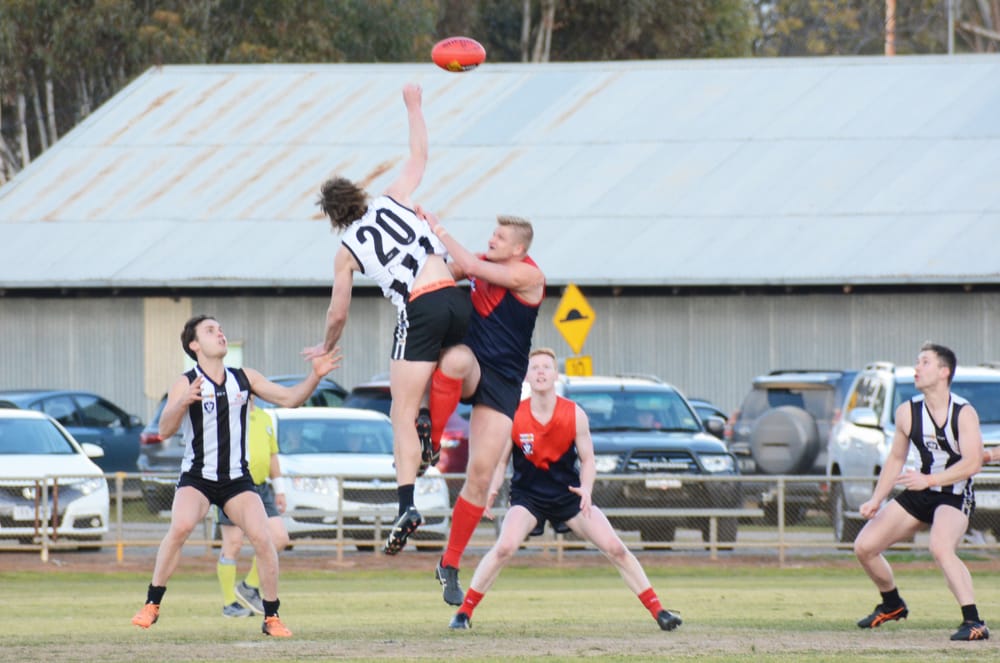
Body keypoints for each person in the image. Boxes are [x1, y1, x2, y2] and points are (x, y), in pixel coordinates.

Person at [303, 82, 471, 557]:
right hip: (457, 299)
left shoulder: (346, 250)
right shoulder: (393, 196)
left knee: (400, 410)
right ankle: (433, 436)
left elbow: (338, 312)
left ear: (334, 219)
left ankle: (406, 504)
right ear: (359, 192)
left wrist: (325, 344)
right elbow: (420, 154)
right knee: (450, 368)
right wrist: (414, 106)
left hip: (420, 308)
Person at [131, 314, 341, 638]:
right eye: (211, 331)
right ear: (194, 344)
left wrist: (314, 376)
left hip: (236, 479)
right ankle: (152, 603)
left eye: (221, 329)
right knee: (182, 526)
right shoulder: (186, 382)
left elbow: (290, 399)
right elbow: (163, 430)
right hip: (198, 476)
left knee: (263, 538)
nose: (220, 334)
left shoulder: (244, 377)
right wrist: (182, 403)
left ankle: (271, 617)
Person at [448, 348, 682, 631]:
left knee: (615, 548)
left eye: (547, 367)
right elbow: (500, 463)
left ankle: (660, 611)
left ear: (556, 374)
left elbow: (588, 460)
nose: (541, 372)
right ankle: (463, 613)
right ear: (528, 375)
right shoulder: (514, 415)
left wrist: (586, 488)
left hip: (569, 496)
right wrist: (492, 491)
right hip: (528, 498)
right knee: (504, 548)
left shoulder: (574, 413)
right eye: (535, 368)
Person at [417, 208, 545, 606]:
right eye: (492, 234)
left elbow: (469, 263)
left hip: (503, 381)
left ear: (519, 249)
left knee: (481, 474)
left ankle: (449, 564)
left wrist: (438, 228)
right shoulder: (481, 264)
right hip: (473, 364)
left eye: (500, 238)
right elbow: (441, 275)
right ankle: (431, 444)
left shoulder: (529, 275)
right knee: (453, 360)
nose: (492, 240)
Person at [853, 343, 988, 641]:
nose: (916, 368)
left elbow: (973, 463)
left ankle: (974, 621)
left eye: (924, 362)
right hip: (919, 491)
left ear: (944, 372)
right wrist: (876, 499)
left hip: (953, 494)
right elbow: (896, 460)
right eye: (917, 362)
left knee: (940, 547)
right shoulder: (907, 412)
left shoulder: (963, 412)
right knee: (864, 547)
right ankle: (892, 605)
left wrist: (930, 480)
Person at [216, 397, 289, 618]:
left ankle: (249, 586)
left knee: (279, 538)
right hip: (232, 486)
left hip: (261, 488)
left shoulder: (265, 418)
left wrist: (280, 489)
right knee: (234, 544)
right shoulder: (227, 417)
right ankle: (229, 604)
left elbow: (272, 455)